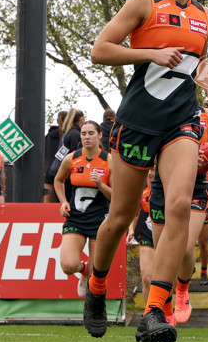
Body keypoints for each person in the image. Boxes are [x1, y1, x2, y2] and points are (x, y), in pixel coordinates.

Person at [85, 0, 208, 342]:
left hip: (180, 122)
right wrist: (150, 54)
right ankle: (95, 289)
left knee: (178, 206)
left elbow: (201, 60)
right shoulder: (143, 3)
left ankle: (154, 309)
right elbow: (100, 50)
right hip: (137, 122)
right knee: (120, 218)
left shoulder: (205, 15)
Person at [150, 107, 208, 325]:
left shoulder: (207, 116)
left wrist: (207, 156)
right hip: (163, 185)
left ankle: (182, 290)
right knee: (161, 250)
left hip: (196, 186)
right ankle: (165, 307)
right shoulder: (159, 110)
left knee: (183, 248)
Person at [54, 120, 112, 299]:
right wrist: (63, 201)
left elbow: (115, 196)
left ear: (100, 135)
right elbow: (58, 181)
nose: (87, 137)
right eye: (84, 133)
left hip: (99, 221)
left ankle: (90, 277)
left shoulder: (108, 160)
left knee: (97, 272)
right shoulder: (72, 158)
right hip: (76, 219)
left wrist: (100, 184)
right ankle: (83, 270)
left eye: (91, 133)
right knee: (68, 266)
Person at [126, 166, 156, 304]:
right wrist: (131, 230)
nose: (150, 173)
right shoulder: (142, 192)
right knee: (146, 279)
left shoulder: (168, 190)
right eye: (148, 170)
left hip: (166, 237)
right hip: (147, 234)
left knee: (170, 284)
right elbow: (135, 214)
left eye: (154, 170)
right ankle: (148, 314)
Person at [44, 110, 67, 203]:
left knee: (46, 205)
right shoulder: (67, 137)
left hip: (48, 172)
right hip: (61, 172)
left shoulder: (48, 136)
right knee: (62, 202)